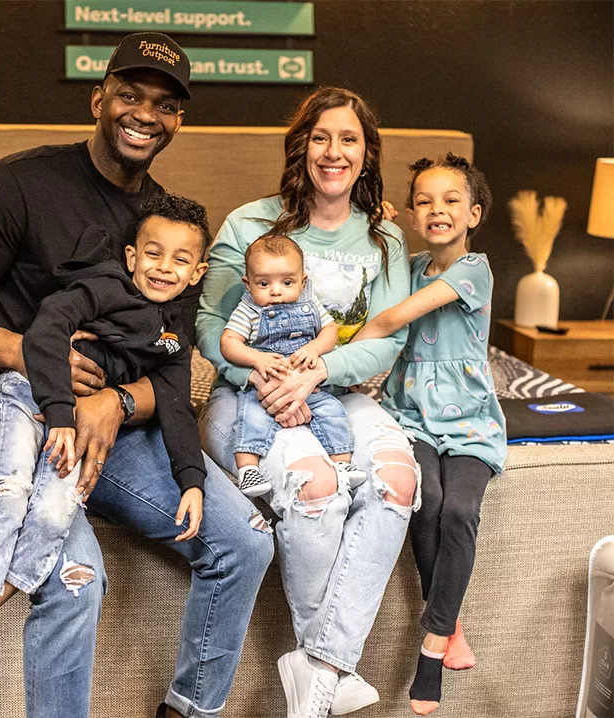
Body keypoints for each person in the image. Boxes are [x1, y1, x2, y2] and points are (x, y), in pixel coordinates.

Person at [0, 31, 274, 718]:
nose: (145, 113)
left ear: (178, 122)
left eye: (164, 104)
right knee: (75, 577)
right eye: (130, 95)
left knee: (246, 540)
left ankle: (188, 710)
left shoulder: (171, 230)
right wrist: (31, 354)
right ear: (98, 99)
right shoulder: (14, 186)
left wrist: (116, 400)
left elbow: (171, 360)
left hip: (106, 429)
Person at [0, 193, 211, 703]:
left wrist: (192, 481)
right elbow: (46, 329)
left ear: (197, 272)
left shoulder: (170, 338)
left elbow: (174, 407)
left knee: (54, 514)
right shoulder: (104, 287)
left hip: (73, 427)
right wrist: (58, 413)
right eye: (152, 253)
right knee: (11, 492)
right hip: (29, 401)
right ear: (130, 256)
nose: (163, 267)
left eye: (180, 260)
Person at [197, 86, 420, 718]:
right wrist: (268, 377)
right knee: (318, 488)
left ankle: (318, 669)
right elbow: (208, 327)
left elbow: (386, 341)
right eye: (321, 136)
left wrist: (315, 372)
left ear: (366, 153)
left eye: (349, 138)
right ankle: (327, 678)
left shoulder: (383, 239)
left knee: (398, 482)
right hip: (248, 398)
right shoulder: (249, 224)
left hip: (338, 393)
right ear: (301, 146)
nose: (334, 151)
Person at [354, 154, 507, 715]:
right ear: (413, 214)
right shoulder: (409, 265)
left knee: (459, 511)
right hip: (411, 414)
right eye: (424, 201)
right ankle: (450, 619)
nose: (437, 209)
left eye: (450, 200)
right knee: (427, 500)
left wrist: (349, 342)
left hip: (468, 424)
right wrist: (385, 229)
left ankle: (432, 647)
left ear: (474, 213)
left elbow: (392, 318)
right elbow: (369, 272)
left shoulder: (474, 269)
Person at [220, 232, 365, 498]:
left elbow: (330, 331)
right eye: (263, 283)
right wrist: (256, 358)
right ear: (248, 284)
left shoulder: (310, 303)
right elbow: (229, 341)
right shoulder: (249, 310)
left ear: (302, 281)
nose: (276, 291)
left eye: (287, 282)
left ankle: (342, 463)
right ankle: (248, 470)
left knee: (333, 411)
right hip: (265, 392)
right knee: (250, 417)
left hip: (312, 388)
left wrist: (315, 348)